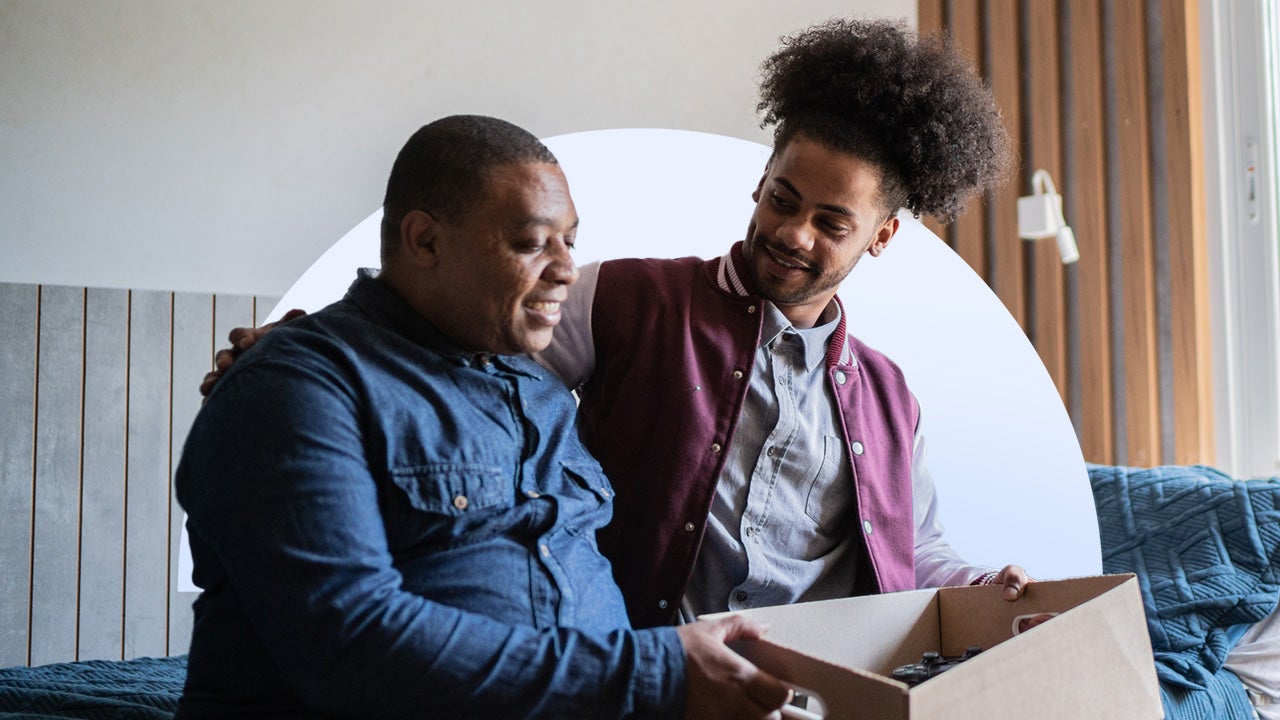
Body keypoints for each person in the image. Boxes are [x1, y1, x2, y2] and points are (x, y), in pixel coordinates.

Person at [203, 19, 1029, 631]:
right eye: (783, 197)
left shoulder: (892, 398)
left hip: (825, 691)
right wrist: (306, 345)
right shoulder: (622, 299)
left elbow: (916, 552)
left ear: (882, 236)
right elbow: (453, 353)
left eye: (831, 222)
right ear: (760, 181)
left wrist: (988, 586)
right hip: (642, 678)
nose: (792, 233)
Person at [176, 115, 792, 719]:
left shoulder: (539, 386)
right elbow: (346, 641)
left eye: (569, 241)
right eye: (530, 243)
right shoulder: (297, 386)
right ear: (425, 241)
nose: (566, 270)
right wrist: (653, 673)